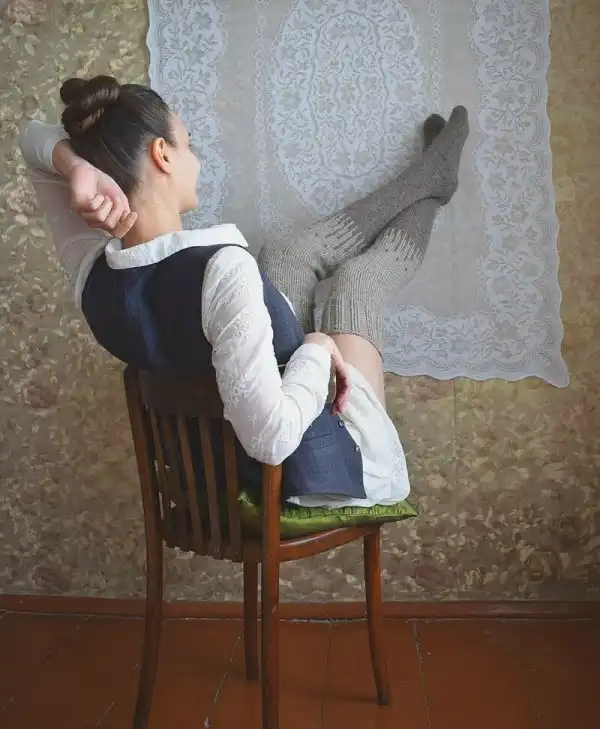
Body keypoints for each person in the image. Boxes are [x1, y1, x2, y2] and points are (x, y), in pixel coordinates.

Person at [20, 75, 469, 509]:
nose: (195, 159)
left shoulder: (92, 274)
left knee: (284, 253)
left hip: (215, 469)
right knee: (358, 282)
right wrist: (316, 349)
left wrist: (76, 168)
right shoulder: (224, 268)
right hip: (313, 474)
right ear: (162, 154)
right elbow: (272, 440)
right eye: (188, 144)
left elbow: (32, 142)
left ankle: (430, 177)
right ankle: (432, 183)